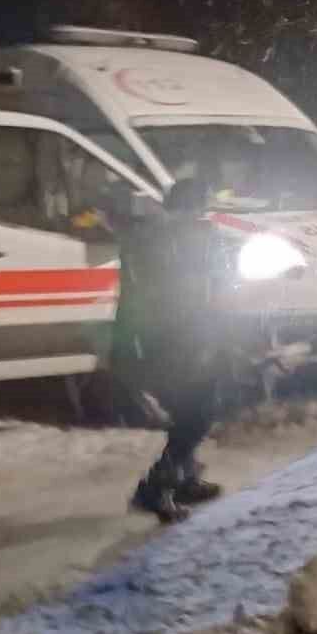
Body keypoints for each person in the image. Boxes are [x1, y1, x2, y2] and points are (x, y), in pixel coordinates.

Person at [111, 178, 228, 524]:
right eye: (201, 206)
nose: (205, 214)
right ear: (187, 207)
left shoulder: (184, 236)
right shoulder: (160, 240)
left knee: (202, 404)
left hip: (192, 334)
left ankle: (185, 477)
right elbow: (158, 294)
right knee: (194, 415)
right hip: (170, 338)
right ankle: (155, 488)